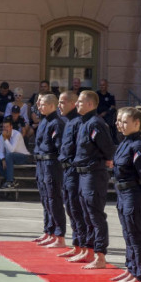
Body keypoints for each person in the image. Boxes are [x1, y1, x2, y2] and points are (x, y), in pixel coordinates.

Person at [111, 107, 141, 282]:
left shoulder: (138, 146)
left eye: (124, 122)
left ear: (137, 123)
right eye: (120, 121)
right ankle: (132, 270)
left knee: (137, 236)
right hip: (123, 193)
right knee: (128, 235)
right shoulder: (125, 142)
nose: (120, 125)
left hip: (133, 194)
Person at [72, 90, 115, 268]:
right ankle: (89, 251)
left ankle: (100, 256)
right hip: (83, 174)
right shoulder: (84, 122)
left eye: (80, 101)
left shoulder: (96, 123)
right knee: (86, 215)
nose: (76, 104)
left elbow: (107, 148)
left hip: (93, 174)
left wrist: (107, 160)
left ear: (90, 104)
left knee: (95, 215)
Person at [57, 91, 89, 261]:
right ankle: (77, 245)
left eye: (62, 102)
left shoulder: (78, 122)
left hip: (74, 171)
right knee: (70, 208)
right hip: (67, 170)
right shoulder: (68, 121)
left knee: (77, 209)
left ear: (72, 103)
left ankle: (84, 247)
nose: (59, 106)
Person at [32, 93, 67, 249]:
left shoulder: (57, 123)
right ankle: (49, 231)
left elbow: (60, 147)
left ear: (52, 106)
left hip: (51, 163)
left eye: (43, 104)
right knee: (45, 198)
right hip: (41, 162)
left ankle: (59, 235)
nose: (39, 107)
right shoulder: (44, 121)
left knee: (54, 199)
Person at [0, 118, 30, 189]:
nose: (5, 129)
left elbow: (12, 150)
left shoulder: (17, 134)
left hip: (24, 156)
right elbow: (1, 151)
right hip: (10, 158)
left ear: (11, 127)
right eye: (4, 127)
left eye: (7, 127)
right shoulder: (2, 136)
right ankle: (12, 180)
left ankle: (9, 181)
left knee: (9, 155)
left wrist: (5, 139)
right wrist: (3, 160)